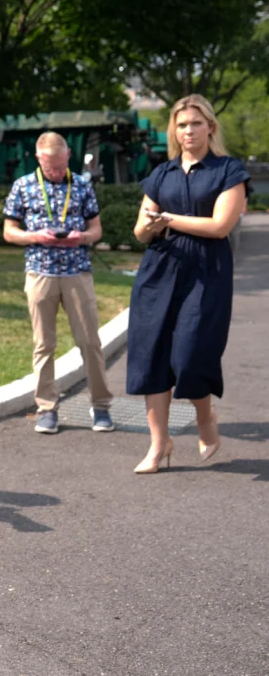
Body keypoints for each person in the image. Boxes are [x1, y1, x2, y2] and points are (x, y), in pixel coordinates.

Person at [126, 94, 249, 474]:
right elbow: (140, 231)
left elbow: (219, 226)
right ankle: (159, 444)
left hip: (206, 271)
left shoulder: (228, 170)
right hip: (159, 269)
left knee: (191, 354)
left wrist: (167, 219)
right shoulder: (161, 174)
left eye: (196, 123)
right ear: (174, 131)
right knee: (151, 357)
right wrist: (150, 225)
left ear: (210, 127)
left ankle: (205, 415)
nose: (188, 131)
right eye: (181, 125)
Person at [3, 132, 115, 434]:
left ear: (68, 157)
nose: (54, 171)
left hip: (77, 270)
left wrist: (83, 237)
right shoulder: (23, 185)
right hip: (40, 271)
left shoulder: (81, 185)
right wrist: (34, 237)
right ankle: (46, 408)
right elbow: (9, 230)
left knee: (90, 342)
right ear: (38, 158)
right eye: (48, 166)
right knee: (44, 344)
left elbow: (97, 229)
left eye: (59, 165)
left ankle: (101, 406)